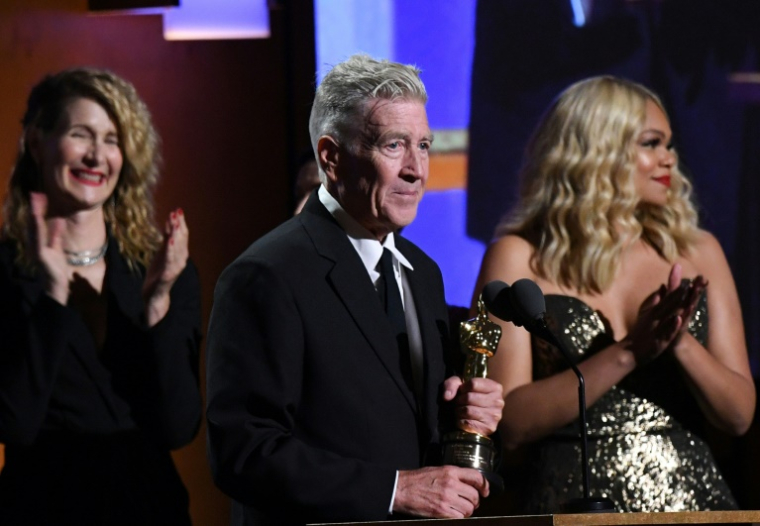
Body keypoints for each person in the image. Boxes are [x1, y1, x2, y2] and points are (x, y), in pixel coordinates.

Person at [206, 54, 504, 525]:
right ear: (331, 157)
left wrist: (466, 418)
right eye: (394, 145)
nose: (416, 169)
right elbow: (244, 452)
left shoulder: (423, 273)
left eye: (423, 145)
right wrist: (395, 490)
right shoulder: (267, 274)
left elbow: (407, 428)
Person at [473, 76, 755, 513]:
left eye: (670, 144)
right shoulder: (518, 257)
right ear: (597, 151)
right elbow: (510, 421)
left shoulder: (698, 250)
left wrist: (678, 343)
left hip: (690, 503)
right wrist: (629, 352)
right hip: (567, 505)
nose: (669, 159)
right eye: (651, 143)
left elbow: (738, 416)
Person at [0, 68, 202, 524]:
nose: (97, 156)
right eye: (80, 134)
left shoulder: (161, 269)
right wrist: (52, 296)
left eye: (112, 140)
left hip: (150, 510)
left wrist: (157, 307)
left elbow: (177, 427)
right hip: (40, 510)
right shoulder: (6, 273)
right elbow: (14, 422)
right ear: (37, 143)